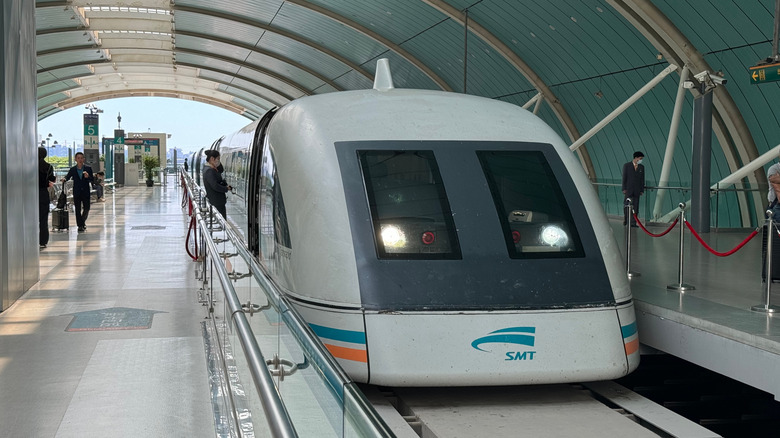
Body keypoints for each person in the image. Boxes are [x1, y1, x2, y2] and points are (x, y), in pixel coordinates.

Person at [63, 152, 94, 232]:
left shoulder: (88, 168)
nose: (80, 160)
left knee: (87, 208)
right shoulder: (73, 169)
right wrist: (64, 179)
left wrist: (88, 177)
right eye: (78, 158)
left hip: (86, 191)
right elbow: (68, 177)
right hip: (77, 191)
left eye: (81, 158)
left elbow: (92, 180)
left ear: (84, 159)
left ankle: (82, 222)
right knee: (77, 209)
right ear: (75, 159)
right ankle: (80, 225)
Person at [202, 150, 232, 218]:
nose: (219, 161)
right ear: (212, 158)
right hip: (216, 202)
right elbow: (215, 186)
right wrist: (226, 188)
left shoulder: (211, 169)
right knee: (222, 220)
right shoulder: (209, 170)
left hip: (218, 201)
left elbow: (221, 169)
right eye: (218, 159)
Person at [38, 147, 56, 249]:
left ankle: (31, 238)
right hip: (43, 194)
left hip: (31, 194)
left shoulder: (30, 165)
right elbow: (52, 179)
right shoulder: (48, 167)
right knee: (43, 219)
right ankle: (43, 241)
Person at [622, 151, 645, 227]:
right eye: (640, 158)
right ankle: (626, 219)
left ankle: (633, 222)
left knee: (636, 206)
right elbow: (624, 178)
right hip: (628, 189)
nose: (641, 160)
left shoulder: (641, 167)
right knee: (626, 205)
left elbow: (642, 179)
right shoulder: (627, 166)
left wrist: (641, 189)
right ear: (636, 158)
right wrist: (624, 188)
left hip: (637, 190)